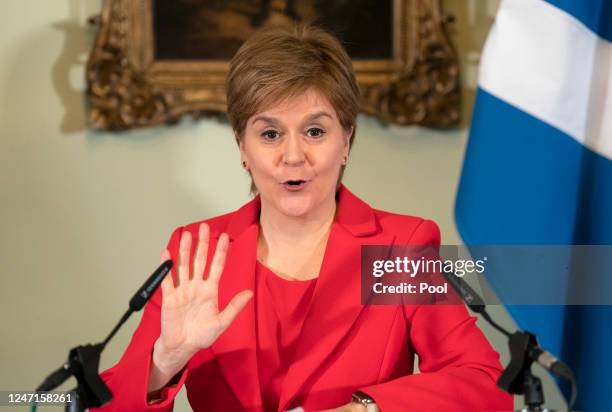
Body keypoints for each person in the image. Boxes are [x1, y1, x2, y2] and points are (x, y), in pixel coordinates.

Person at [91, 25, 513, 412]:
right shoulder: (198, 252)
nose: (293, 156)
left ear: (346, 141)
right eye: (269, 133)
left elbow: (485, 385)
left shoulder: (400, 247)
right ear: (242, 147)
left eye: (315, 131)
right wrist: (166, 361)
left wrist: (367, 410)